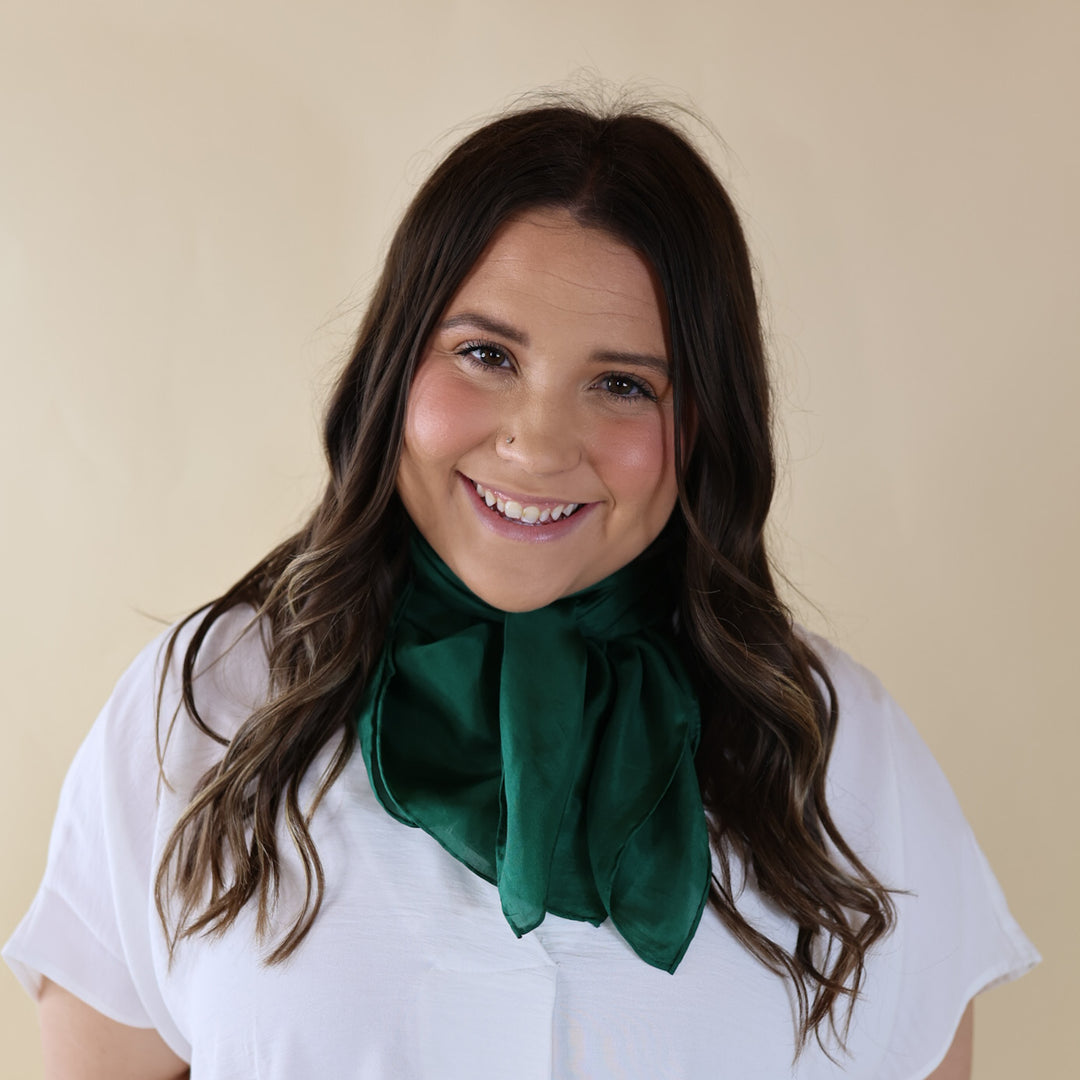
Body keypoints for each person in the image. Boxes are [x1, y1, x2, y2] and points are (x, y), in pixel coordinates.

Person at [5, 100, 1038, 1080]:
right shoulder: (207, 705)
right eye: (486, 354)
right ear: (393, 369)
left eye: (624, 384)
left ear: (708, 423)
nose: (538, 444)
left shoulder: (837, 744)